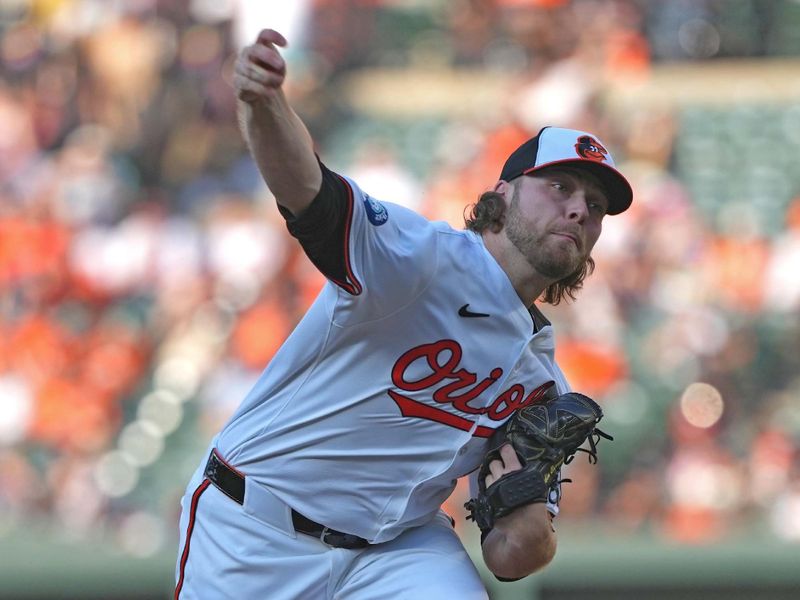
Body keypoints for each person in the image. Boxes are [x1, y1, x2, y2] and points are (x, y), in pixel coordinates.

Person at [174, 28, 633, 599]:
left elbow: (511, 559)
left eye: (595, 207)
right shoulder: (420, 259)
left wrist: (530, 511)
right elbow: (309, 192)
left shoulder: (540, 384)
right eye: (559, 186)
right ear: (504, 194)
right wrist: (264, 104)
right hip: (257, 525)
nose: (577, 210)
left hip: (396, 551)